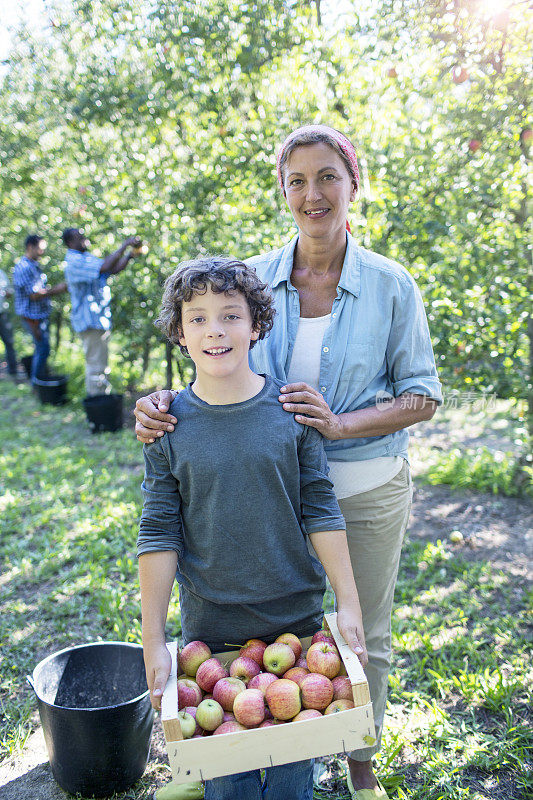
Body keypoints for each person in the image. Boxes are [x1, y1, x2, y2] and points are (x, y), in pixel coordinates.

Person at [134, 124, 443, 800]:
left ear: (352, 182)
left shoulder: (391, 284)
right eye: (297, 180)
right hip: (268, 481)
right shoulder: (254, 281)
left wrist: (337, 423)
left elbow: (423, 394)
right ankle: (219, 756)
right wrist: (160, 405)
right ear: (283, 191)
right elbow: (214, 356)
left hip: (362, 487)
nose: (313, 193)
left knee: (365, 635)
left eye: (327, 176)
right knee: (270, 632)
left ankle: (358, 766)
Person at [138, 256, 368, 800]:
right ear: (178, 332)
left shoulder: (291, 411)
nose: (214, 329)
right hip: (211, 631)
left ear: (256, 324)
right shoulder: (167, 426)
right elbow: (158, 531)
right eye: (197, 318)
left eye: (230, 315)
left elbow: (320, 508)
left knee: (291, 781)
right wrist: (152, 640)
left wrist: (349, 602)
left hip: (297, 625)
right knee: (229, 783)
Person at [62, 227, 138, 396]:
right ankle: (98, 406)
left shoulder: (85, 258)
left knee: (100, 364)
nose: (84, 240)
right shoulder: (74, 261)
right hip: (89, 319)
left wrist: (129, 256)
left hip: (98, 318)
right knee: (96, 366)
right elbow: (104, 267)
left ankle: (100, 401)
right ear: (69, 243)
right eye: (79, 238)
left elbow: (112, 269)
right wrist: (124, 245)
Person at [13, 234, 67, 382]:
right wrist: (58, 289)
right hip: (32, 318)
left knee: (42, 349)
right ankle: (36, 383)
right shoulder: (24, 267)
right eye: (40, 249)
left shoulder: (33, 266)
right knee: (42, 350)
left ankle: (39, 379)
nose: (42, 252)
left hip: (39, 316)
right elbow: (34, 295)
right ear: (30, 247)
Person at [0, 268, 18, 378]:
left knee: (9, 341)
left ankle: (13, 370)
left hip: (2, 313)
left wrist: (7, 293)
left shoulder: (1, 273)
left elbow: (9, 291)